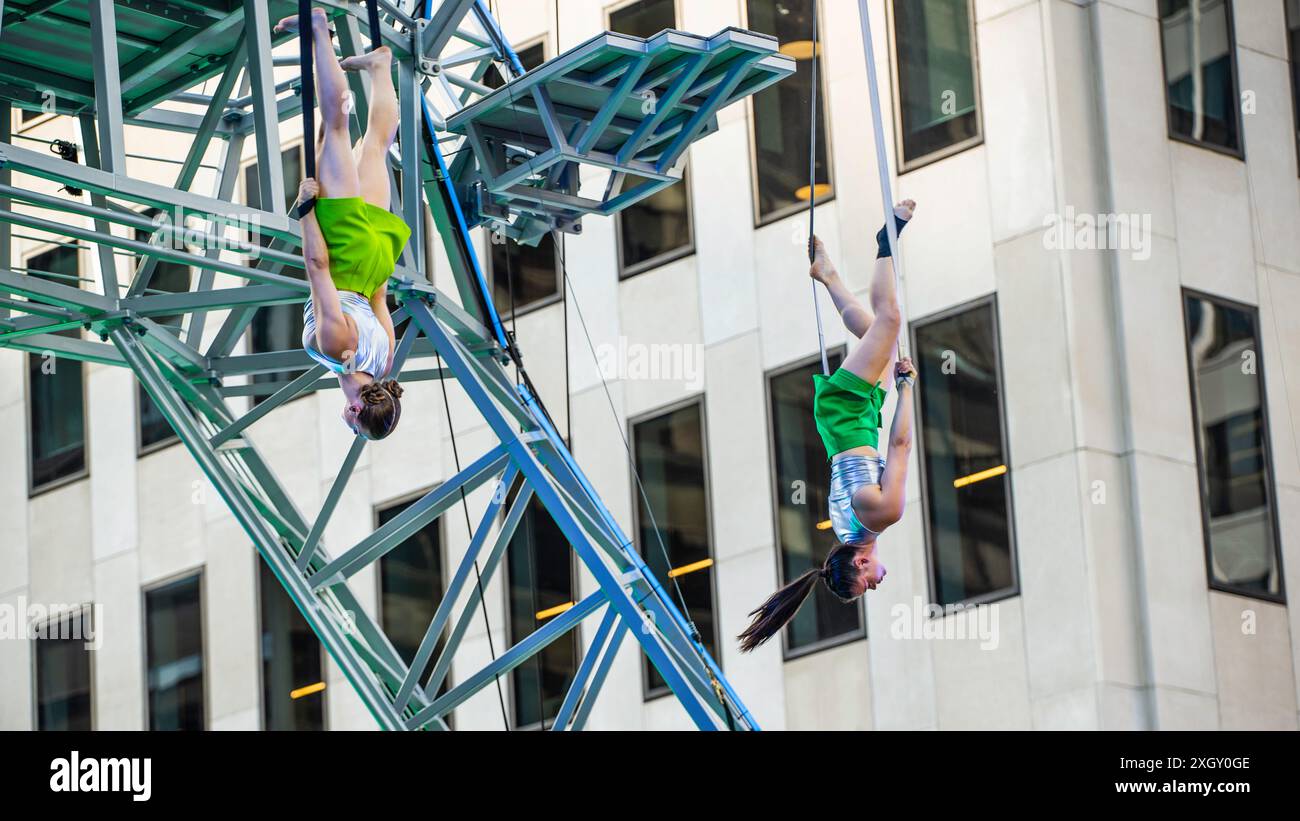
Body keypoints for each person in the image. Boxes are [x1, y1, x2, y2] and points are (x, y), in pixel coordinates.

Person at [737, 201, 919, 653]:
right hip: (849, 425)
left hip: (848, 415)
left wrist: (907, 389)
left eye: (868, 585)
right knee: (877, 334)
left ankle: (885, 241)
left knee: (889, 321)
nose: (877, 584)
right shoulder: (844, 531)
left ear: (860, 564)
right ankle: (827, 274)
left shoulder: (883, 515)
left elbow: (901, 446)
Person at [277, 7, 410, 439]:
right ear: (355, 410)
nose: (350, 426)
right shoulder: (336, 350)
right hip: (345, 256)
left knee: (375, 145)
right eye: (356, 428)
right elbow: (317, 268)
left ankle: (380, 68)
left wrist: (372, 252)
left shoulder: (385, 361)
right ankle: (319, 29)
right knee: (335, 129)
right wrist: (305, 212)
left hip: (376, 260)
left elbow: (381, 295)